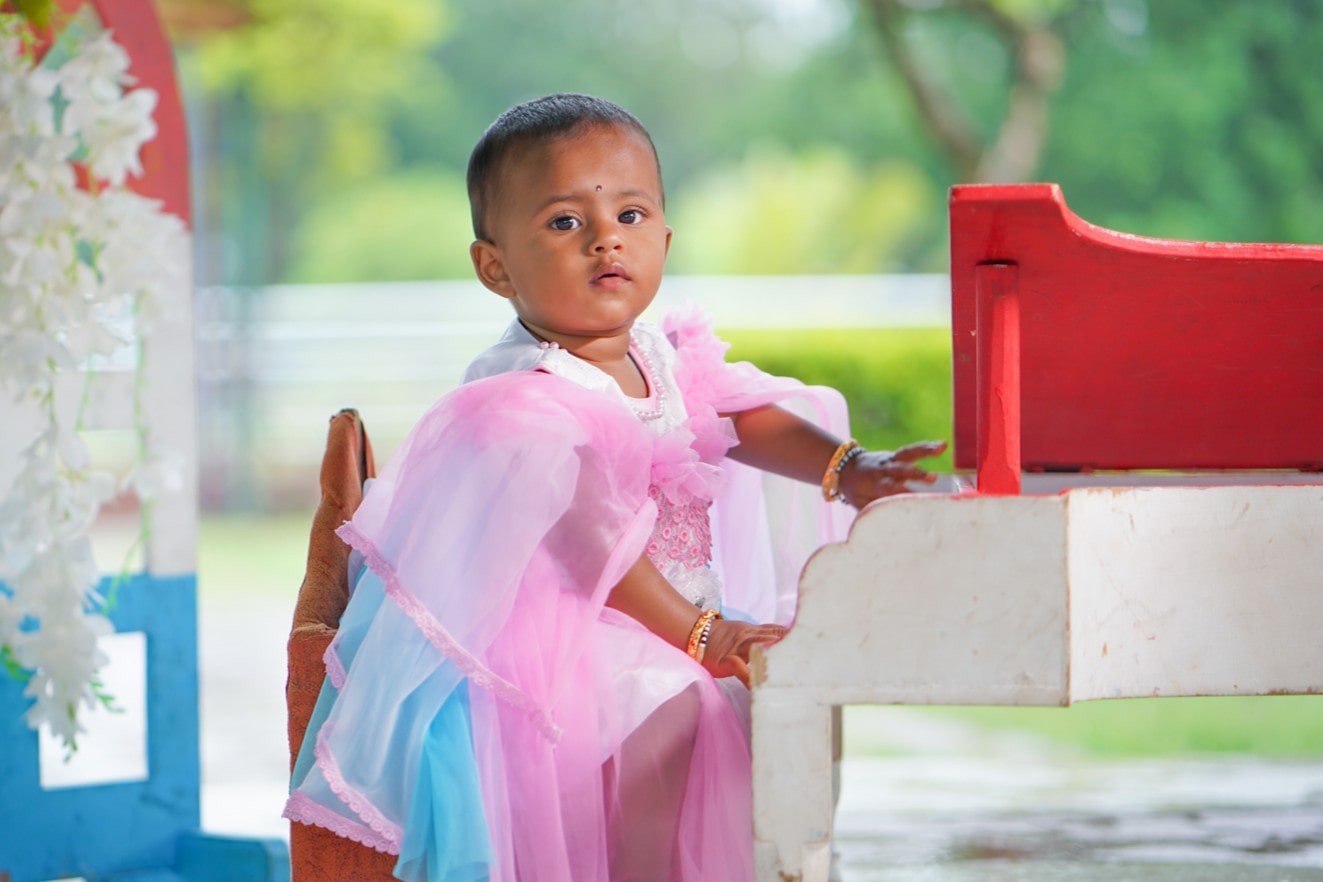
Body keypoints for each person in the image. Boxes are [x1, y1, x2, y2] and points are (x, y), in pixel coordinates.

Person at [284, 92, 946, 882]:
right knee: (671, 712)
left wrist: (848, 470)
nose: (606, 239)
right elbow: (591, 536)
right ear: (495, 266)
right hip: (565, 640)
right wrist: (702, 635)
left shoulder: (662, 354)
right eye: (565, 223)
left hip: (678, 616)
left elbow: (741, 414)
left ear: (665, 236)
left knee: (787, 704)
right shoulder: (520, 393)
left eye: (631, 215)